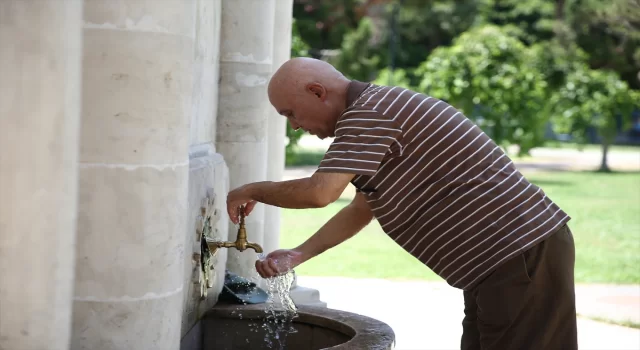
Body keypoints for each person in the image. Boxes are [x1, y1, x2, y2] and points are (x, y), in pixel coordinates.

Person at [226, 57, 577, 350]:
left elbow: (319, 193)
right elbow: (360, 209)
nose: (295, 126)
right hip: (504, 260)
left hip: (517, 253)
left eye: (291, 113)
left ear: (317, 92)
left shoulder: (368, 113)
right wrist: (299, 254)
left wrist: (252, 189)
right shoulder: (372, 113)